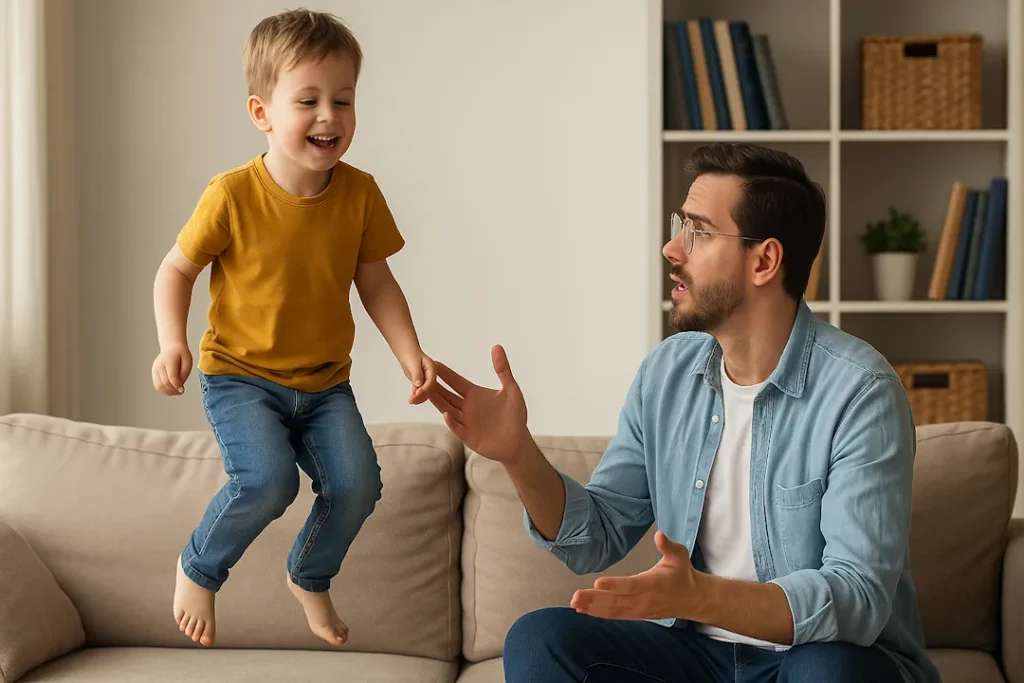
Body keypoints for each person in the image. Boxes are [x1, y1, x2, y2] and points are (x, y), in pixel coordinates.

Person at [428, 143, 942, 683]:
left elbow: (856, 599)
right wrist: (517, 455)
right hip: (695, 657)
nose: (673, 248)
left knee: (832, 671)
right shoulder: (668, 373)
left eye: (697, 231)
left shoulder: (860, 391)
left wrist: (700, 596)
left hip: (813, 659)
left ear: (764, 260)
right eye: (681, 226)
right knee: (540, 639)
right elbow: (597, 534)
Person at [151, 8, 436, 649]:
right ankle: (198, 566)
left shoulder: (360, 194)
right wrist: (172, 340)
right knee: (267, 480)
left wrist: (410, 353)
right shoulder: (231, 195)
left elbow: (377, 282)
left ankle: (310, 574)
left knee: (359, 482)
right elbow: (175, 270)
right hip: (241, 378)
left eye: (343, 99)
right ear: (263, 113)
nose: (329, 115)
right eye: (308, 100)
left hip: (326, 384)